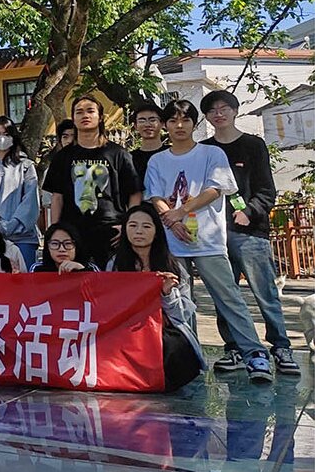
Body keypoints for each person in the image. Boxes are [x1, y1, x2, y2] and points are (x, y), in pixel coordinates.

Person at [145, 98, 273, 382]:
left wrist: (180, 212)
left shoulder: (211, 153)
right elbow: (154, 195)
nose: (179, 126)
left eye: (186, 120)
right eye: (173, 120)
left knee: (229, 298)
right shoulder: (157, 160)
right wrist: (172, 221)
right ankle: (190, 356)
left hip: (209, 240)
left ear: (195, 123)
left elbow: (216, 189)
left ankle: (255, 355)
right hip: (172, 241)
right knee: (180, 301)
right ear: (165, 125)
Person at [200, 90, 297, 376]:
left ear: (235, 110)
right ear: (206, 117)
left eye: (224, 108)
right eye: (212, 110)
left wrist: (249, 212)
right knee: (224, 296)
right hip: (215, 236)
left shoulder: (253, 145)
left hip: (251, 232)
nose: (218, 114)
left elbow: (267, 190)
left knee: (265, 294)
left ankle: (281, 347)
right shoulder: (204, 149)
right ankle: (234, 348)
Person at [109, 203, 207, 391]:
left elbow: (182, 315)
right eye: (133, 225)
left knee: (173, 349)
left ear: (156, 232)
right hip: (126, 331)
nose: (139, 231)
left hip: (163, 331)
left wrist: (167, 294)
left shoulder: (173, 266)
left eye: (146, 226)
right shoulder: (115, 264)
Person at [42, 95, 141, 269]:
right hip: (72, 233)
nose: (85, 115)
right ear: (73, 118)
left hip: (112, 231)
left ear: (100, 117)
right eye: (79, 112)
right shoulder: (62, 157)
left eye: (90, 111)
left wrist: (128, 226)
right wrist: (55, 232)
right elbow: (57, 197)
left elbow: (134, 193)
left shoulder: (118, 153)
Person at [0, 116, 40, 266]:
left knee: (23, 279)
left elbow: (30, 202)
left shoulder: (26, 166)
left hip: (23, 238)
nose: (2, 138)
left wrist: (11, 225)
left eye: (6, 134)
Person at [38, 118, 78, 233]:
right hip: (63, 224)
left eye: (73, 136)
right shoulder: (56, 164)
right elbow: (48, 200)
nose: (69, 140)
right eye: (65, 137)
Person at [31, 222, 99, 272]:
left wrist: (82, 271)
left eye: (68, 243)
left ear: (76, 247)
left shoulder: (90, 268)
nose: (62, 249)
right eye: (55, 244)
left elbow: (99, 286)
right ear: (47, 247)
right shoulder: (37, 269)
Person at [130, 103, 169, 187]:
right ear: (135, 126)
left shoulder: (172, 153)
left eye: (152, 120)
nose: (147, 124)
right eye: (142, 120)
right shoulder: (129, 159)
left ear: (162, 123)